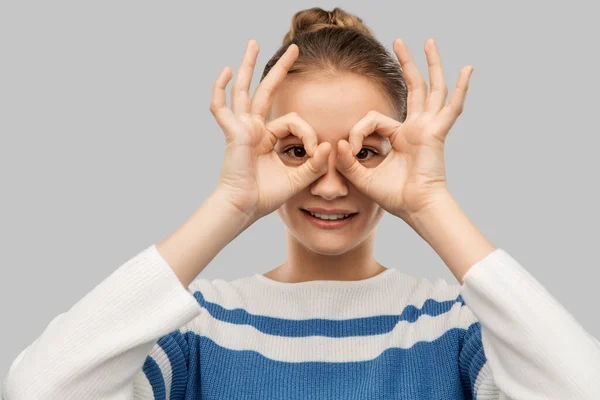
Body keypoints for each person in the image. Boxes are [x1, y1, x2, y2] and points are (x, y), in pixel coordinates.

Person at [3, 6, 600, 400]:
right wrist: (232, 203)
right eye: (296, 151)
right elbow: (38, 390)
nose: (332, 185)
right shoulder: (200, 326)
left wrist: (430, 202)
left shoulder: (454, 326)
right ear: (260, 148)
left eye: (366, 153)